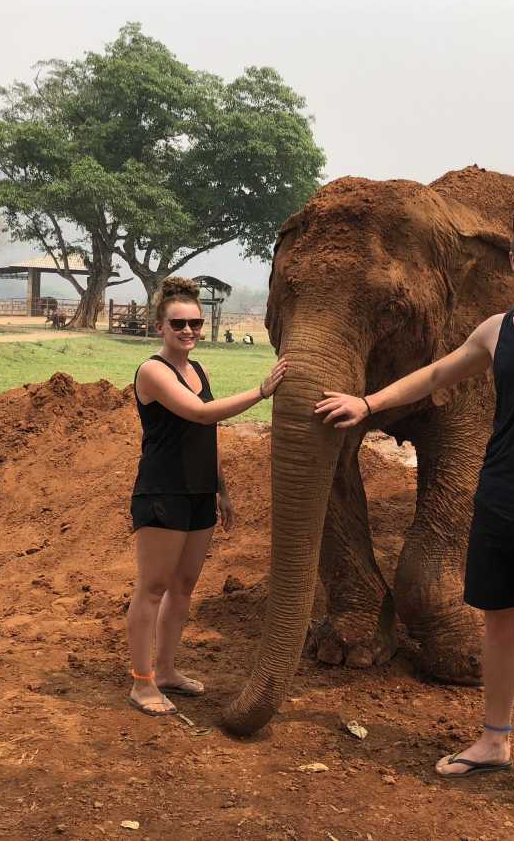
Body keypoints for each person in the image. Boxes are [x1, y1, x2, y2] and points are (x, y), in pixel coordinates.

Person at [315, 212, 514, 820]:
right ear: (510, 263)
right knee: (497, 625)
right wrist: (369, 402)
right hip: (497, 500)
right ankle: (495, 737)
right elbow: (439, 373)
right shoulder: (497, 330)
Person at [127, 276, 287, 716]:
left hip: (199, 492)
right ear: (159, 325)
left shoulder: (198, 369)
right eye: (178, 323)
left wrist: (223, 490)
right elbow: (199, 413)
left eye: (195, 323)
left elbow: (209, 432)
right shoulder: (152, 371)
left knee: (183, 586)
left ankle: (165, 670)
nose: (188, 331)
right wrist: (261, 391)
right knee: (153, 587)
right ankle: (141, 683)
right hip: (163, 492)